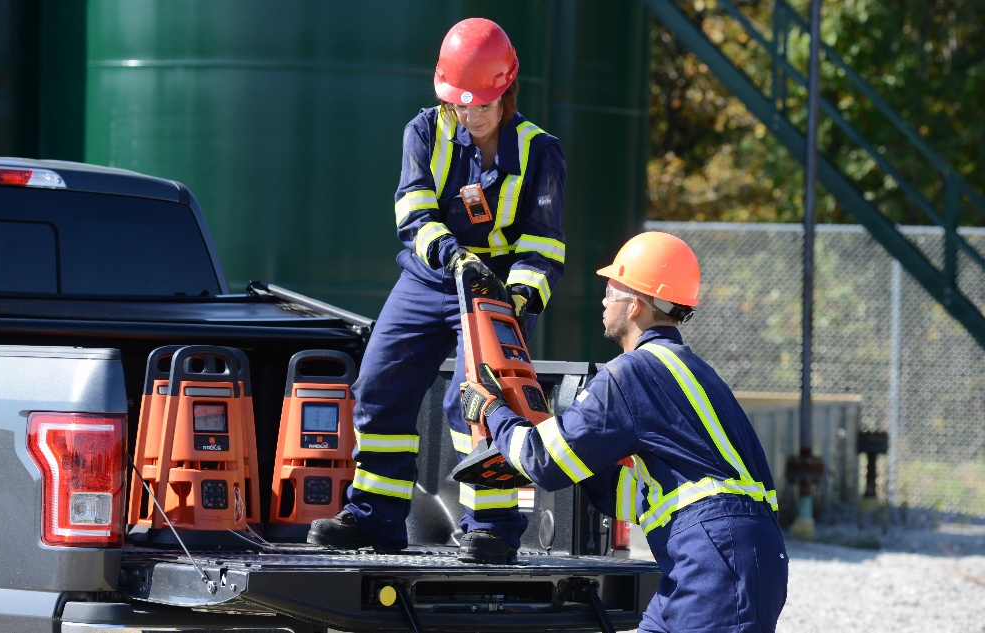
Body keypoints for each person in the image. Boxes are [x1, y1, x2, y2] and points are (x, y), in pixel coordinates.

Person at [306, 17, 566, 565]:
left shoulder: (540, 151)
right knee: (378, 384)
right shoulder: (424, 131)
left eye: (481, 106)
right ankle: (375, 519)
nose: (469, 116)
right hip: (431, 278)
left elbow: (544, 245)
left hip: (497, 290)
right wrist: (454, 258)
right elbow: (414, 214)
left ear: (507, 93)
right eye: (460, 105)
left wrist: (516, 302)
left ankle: (492, 529)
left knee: (479, 401)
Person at [461, 231, 789, 631]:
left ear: (635, 305)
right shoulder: (690, 370)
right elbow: (645, 495)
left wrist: (492, 410)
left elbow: (543, 462)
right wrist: (581, 457)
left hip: (718, 562)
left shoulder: (632, 373)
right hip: (715, 557)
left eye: (611, 290)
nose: (603, 300)